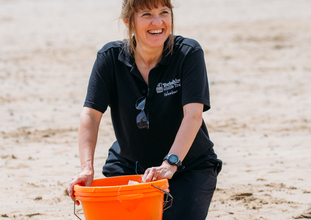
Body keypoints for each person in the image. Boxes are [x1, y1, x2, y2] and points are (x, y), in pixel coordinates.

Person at [68, 0, 222, 219]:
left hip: (189, 167)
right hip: (130, 165)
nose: (157, 22)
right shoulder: (110, 58)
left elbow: (194, 116)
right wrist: (87, 168)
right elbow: (91, 115)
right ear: (129, 21)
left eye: (164, 12)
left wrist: (170, 164)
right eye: (147, 14)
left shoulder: (188, 53)